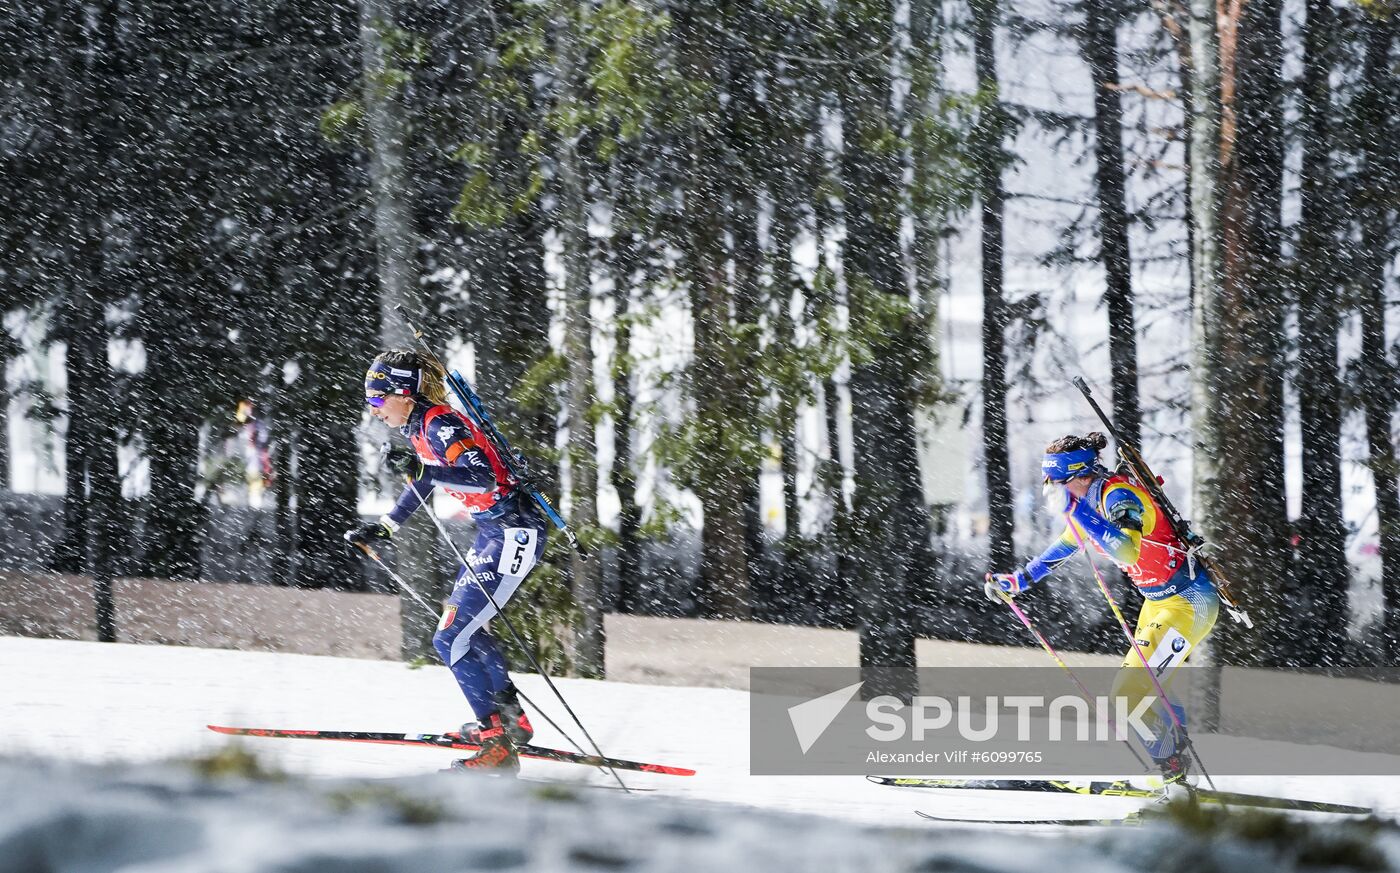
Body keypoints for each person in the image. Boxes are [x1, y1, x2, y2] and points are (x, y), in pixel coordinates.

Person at [345, 349, 548, 773]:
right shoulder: (421, 426)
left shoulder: (441, 422)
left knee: (449, 638)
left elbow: (482, 477)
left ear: (403, 393)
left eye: (379, 399)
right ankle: (512, 722)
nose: (375, 409)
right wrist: (385, 526)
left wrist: (425, 469)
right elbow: (425, 480)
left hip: (514, 531)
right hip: (494, 531)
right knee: (462, 631)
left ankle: (496, 748)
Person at [984, 432, 1218, 785]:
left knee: (1127, 694)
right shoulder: (1089, 499)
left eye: (1055, 483)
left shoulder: (1118, 495)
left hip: (1189, 602)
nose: (1051, 490)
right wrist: (1018, 581)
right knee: (1142, 690)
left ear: (1078, 476)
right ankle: (1179, 766)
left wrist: (1074, 508)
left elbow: (1127, 551)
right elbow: (1067, 544)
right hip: (1158, 603)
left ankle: (1176, 777)